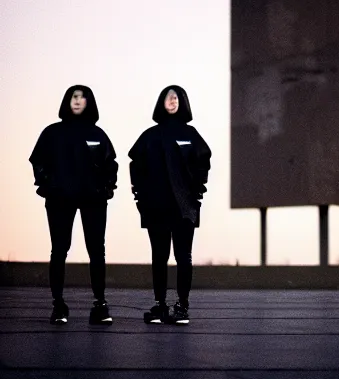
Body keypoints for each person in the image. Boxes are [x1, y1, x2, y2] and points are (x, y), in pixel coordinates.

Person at [29, 85, 118, 325]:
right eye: (74, 97)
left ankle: (100, 305)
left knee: (97, 251)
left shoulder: (98, 134)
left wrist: (105, 190)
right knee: (59, 250)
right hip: (59, 199)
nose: (78, 101)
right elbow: (38, 161)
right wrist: (49, 186)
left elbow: (111, 164)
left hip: (93, 200)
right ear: (67, 101)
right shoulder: (52, 133)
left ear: (89, 102)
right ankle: (58, 305)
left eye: (82, 97)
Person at [128, 85, 211, 325]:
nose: (172, 100)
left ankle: (183, 307)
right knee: (159, 256)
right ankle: (160, 305)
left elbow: (203, 163)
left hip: (185, 207)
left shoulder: (191, 134)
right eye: (168, 97)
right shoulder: (150, 135)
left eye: (176, 97)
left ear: (182, 102)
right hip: (156, 206)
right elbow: (136, 165)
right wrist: (140, 198)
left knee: (183, 256)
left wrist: (197, 194)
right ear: (161, 103)